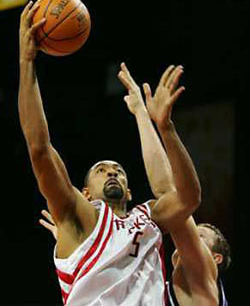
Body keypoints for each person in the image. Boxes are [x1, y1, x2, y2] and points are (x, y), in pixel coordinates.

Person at [19, 1, 200, 306]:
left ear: (129, 190)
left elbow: (189, 198)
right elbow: (39, 149)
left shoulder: (150, 219)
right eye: (102, 170)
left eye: (118, 170)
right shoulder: (78, 216)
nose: (112, 172)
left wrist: (165, 128)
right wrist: (26, 63)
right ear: (86, 192)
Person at [41, 64, 231, 306]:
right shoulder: (160, 288)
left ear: (215, 258)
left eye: (200, 235)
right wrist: (80, 243)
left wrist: (151, 119)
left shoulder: (201, 278)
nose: (189, 234)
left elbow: (168, 191)